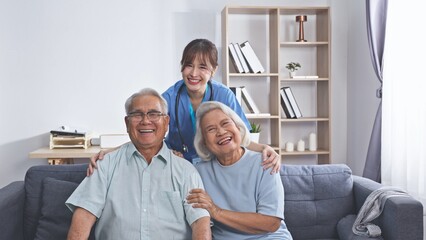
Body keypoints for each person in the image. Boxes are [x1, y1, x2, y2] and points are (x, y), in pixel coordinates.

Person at [88, 38, 280, 175]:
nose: (194, 73)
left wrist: (265, 148)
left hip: (214, 167)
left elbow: (240, 138)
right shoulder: (169, 97)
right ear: (181, 66)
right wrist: (108, 152)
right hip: (178, 167)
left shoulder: (224, 96)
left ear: (214, 70)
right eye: (188, 65)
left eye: (203, 67)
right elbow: (145, 134)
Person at [66, 88, 211, 240]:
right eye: (137, 114)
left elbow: (200, 224)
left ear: (166, 122)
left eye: (154, 114)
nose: (145, 121)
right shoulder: (105, 165)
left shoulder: (186, 171)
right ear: (127, 123)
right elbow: (82, 220)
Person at [187, 101, 293, 240]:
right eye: (211, 129)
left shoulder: (266, 162)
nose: (221, 132)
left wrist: (216, 211)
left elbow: (271, 222)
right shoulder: (198, 172)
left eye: (225, 123)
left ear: (239, 128)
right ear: (204, 142)